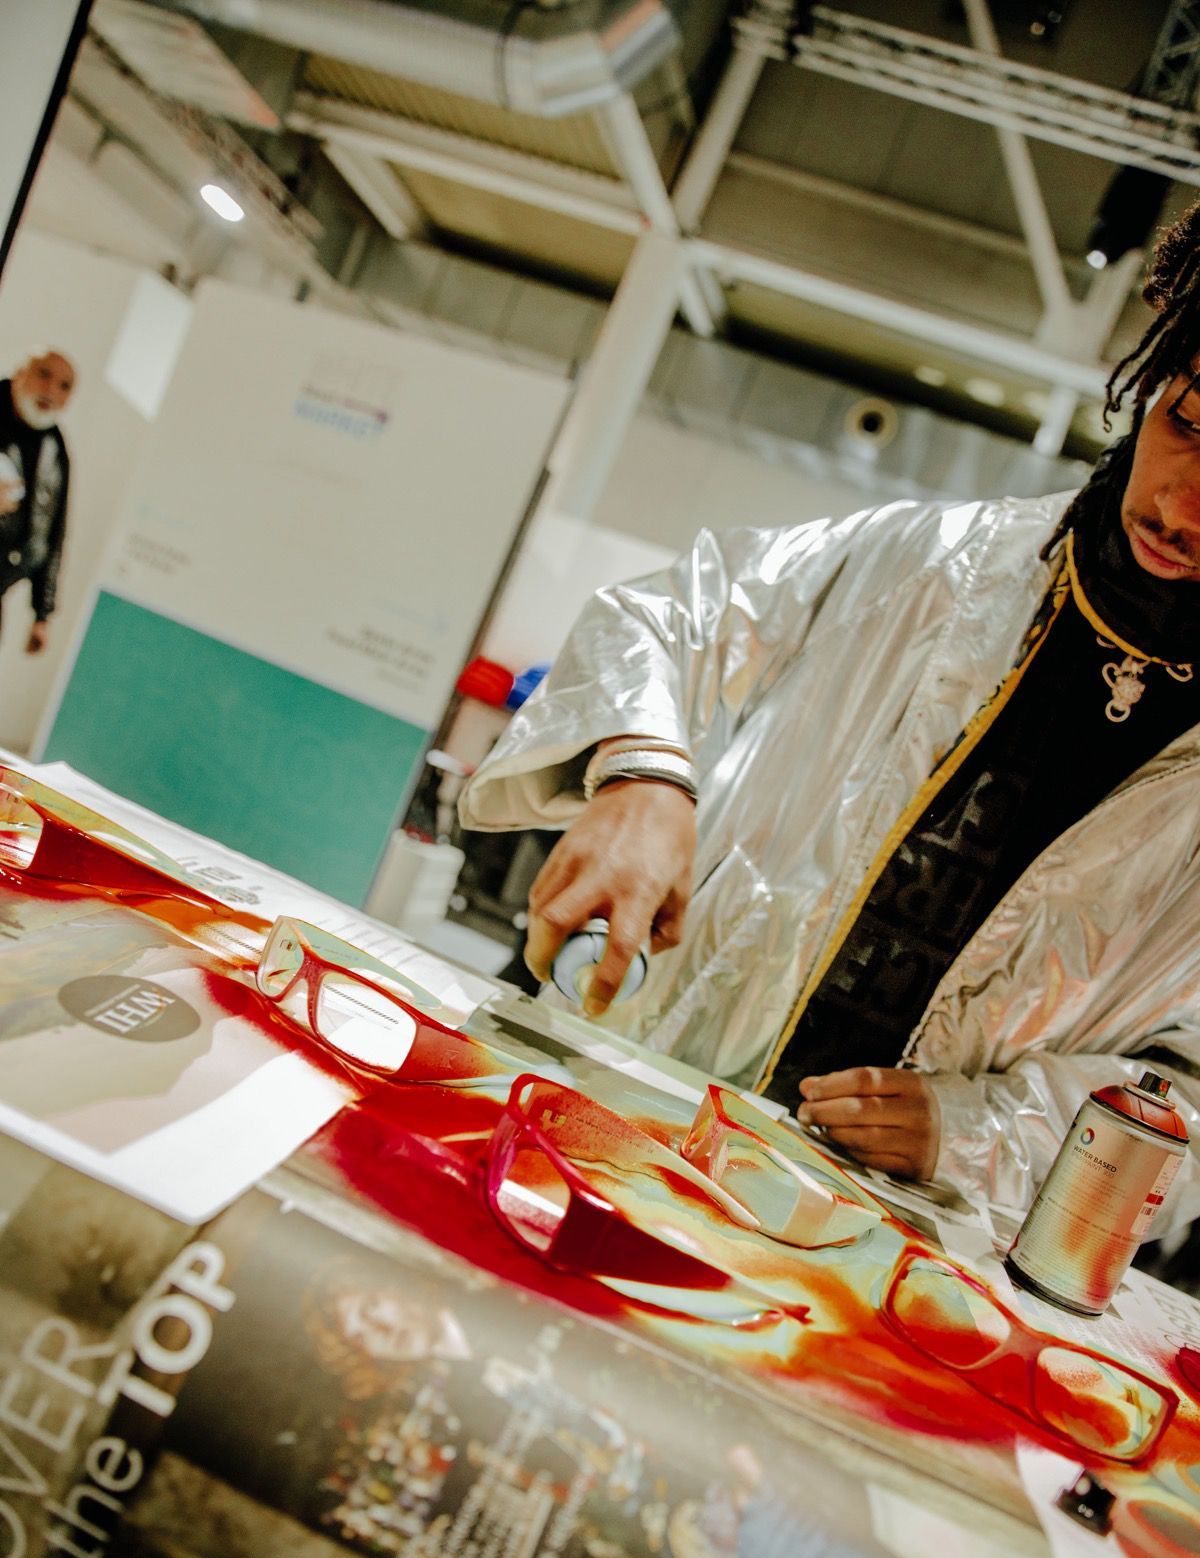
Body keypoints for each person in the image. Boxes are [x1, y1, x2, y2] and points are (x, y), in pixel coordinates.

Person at [459, 201, 1200, 1231]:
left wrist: (976, 1132)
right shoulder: (943, 563)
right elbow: (671, 615)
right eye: (1188, 422)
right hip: (644, 1100)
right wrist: (641, 772)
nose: (1181, 506)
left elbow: (1185, 1116)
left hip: (893, 1242)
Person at [0, 348, 76, 655]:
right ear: (22, 373)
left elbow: (54, 531)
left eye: (64, 386)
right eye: (44, 374)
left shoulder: (56, 450)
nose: (51, 390)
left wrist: (42, 614)